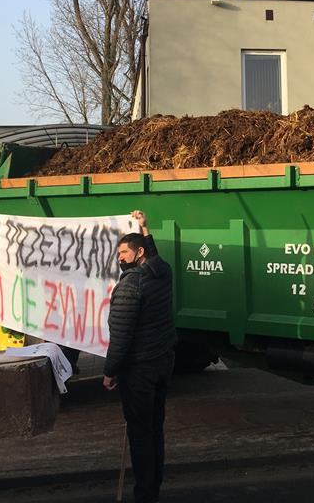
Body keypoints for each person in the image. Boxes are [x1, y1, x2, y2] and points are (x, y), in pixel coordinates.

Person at [103, 210, 176, 503]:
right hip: (162, 364)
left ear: (138, 253)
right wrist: (145, 227)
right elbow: (155, 259)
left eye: (123, 252)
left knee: (140, 435)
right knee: (155, 428)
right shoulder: (163, 273)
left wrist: (109, 372)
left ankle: (145, 494)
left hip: (139, 372)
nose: (119, 257)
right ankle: (155, 483)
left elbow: (120, 337)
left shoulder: (129, 287)